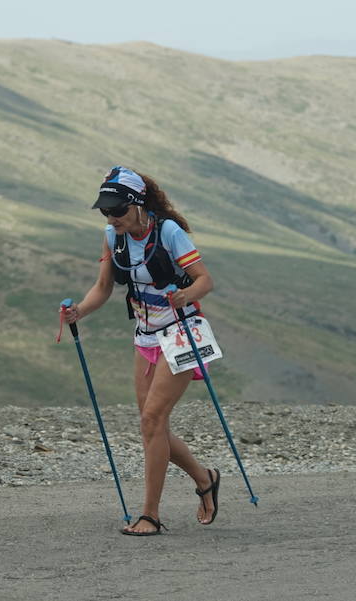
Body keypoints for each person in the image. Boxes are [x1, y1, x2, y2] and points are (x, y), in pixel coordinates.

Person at [62, 166, 220, 536]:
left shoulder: (168, 231)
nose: (111, 217)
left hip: (181, 333)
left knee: (151, 420)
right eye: (105, 211)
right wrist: (78, 311)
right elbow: (103, 288)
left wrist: (185, 295)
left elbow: (205, 280)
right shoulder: (111, 237)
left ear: (136, 204)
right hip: (145, 337)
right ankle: (205, 478)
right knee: (153, 426)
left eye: (117, 210)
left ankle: (149, 515)